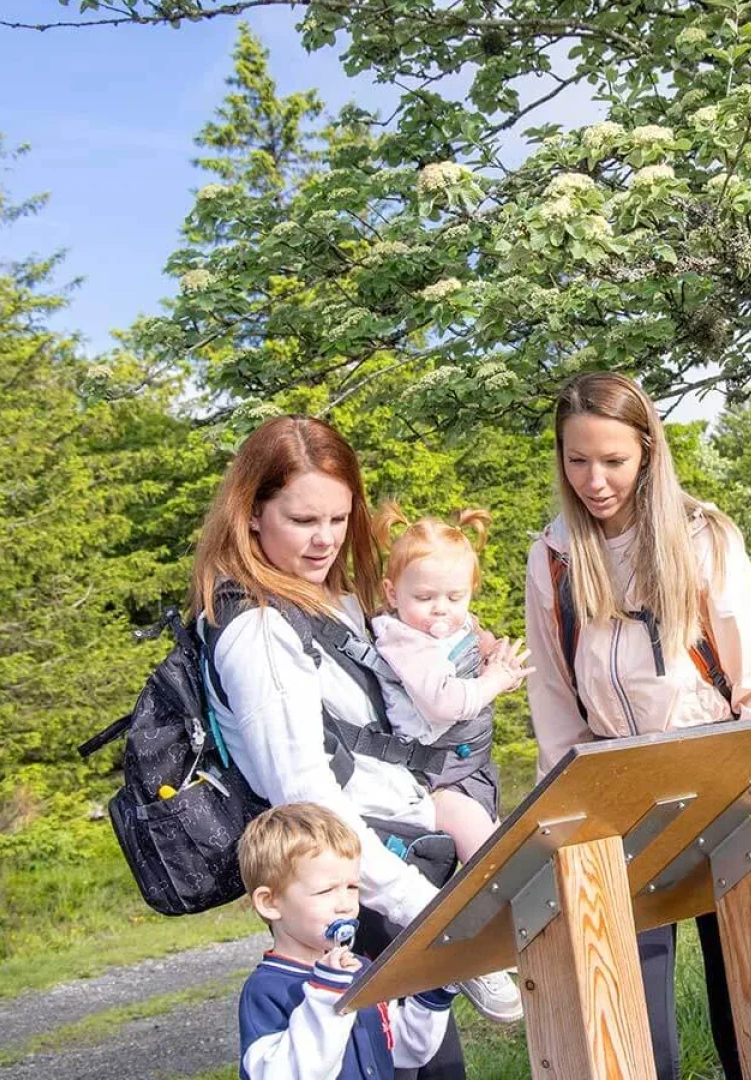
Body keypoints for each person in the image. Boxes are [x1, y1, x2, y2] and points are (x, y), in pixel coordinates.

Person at [192, 415, 522, 1080]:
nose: (324, 540)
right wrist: (425, 913)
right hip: (362, 899)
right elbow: (305, 797)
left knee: (429, 1064)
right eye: (302, 519)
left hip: (390, 881)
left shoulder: (327, 601)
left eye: (339, 520)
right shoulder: (257, 632)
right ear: (251, 514)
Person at [523, 372, 751, 1080]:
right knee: (631, 999)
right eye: (576, 460)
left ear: (647, 451)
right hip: (619, 787)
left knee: (746, 980)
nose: (594, 479)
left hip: (718, 770)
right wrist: (571, 806)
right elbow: (554, 699)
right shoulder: (553, 557)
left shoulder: (703, 536)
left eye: (612, 460)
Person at [236, 802, 457, 1080]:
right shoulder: (266, 990)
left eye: (352, 887)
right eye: (326, 890)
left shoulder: (360, 969)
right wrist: (326, 994)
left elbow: (400, 1050)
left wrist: (430, 995)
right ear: (270, 903)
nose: (345, 905)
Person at [369, 505, 534, 863]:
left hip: (473, 767)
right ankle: (489, 915)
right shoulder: (404, 641)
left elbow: (480, 647)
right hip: (438, 781)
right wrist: (494, 681)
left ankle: (507, 915)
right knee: (493, 865)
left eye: (455, 597)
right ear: (393, 593)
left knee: (508, 851)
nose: (441, 609)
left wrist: (499, 662)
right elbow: (445, 702)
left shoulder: (461, 625)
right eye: (424, 598)